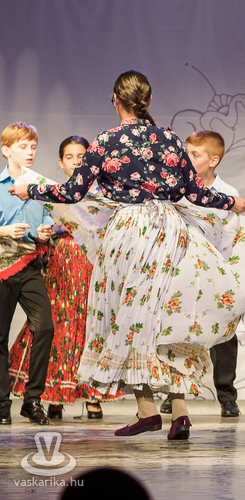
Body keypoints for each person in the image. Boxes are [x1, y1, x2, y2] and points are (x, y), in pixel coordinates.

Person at [9, 71, 245, 440]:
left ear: (116, 100)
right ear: (149, 100)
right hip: (171, 231)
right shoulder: (169, 139)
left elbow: (74, 192)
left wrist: (31, 189)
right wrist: (231, 202)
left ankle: (147, 409)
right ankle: (180, 413)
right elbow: (196, 194)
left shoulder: (108, 140)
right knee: (165, 317)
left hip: (129, 232)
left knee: (129, 318)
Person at [8, 136, 118, 421]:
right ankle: (55, 393)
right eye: (70, 157)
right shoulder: (51, 193)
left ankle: (92, 394)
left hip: (93, 264)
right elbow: (38, 228)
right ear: (61, 162)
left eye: (81, 156)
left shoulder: (101, 195)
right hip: (61, 265)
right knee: (60, 325)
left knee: (91, 324)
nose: (76, 162)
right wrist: (46, 233)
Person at [158, 130, 242, 418]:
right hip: (181, 270)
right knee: (176, 331)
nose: (187, 158)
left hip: (216, 271)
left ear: (213, 160)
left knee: (223, 335)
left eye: (195, 155)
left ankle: (227, 396)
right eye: (186, 153)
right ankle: (174, 393)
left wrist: (224, 270)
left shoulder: (228, 194)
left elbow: (232, 235)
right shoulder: (177, 190)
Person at [0, 122, 55, 426]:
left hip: (30, 264)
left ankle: (32, 399)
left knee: (44, 327)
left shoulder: (40, 187)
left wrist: (44, 232)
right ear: (6, 150)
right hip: (2, 266)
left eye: (33, 146)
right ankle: (1, 402)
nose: (30, 151)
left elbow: (44, 223)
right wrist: (4, 230)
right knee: (0, 335)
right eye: (23, 146)